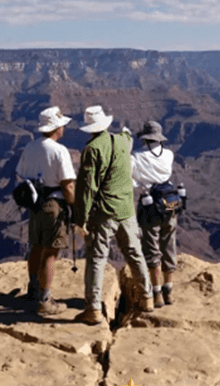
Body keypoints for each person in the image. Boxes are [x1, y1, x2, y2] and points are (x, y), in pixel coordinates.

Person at [70, 105, 153, 325]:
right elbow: (129, 136)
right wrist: (125, 130)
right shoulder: (122, 141)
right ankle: (147, 297)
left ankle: (94, 309)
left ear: (89, 128)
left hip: (104, 214)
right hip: (126, 209)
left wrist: (80, 220)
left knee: (97, 259)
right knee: (135, 253)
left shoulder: (92, 149)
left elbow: (87, 188)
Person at [15, 106, 76, 316]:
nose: (64, 129)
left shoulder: (30, 147)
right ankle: (44, 300)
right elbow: (68, 185)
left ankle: (33, 290)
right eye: (62, 125)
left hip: (35, 204)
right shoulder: (59, 151)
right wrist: (74, 208)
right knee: (51, 252)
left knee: (36, 247)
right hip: (53, 205)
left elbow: (20, 174)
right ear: (56, 127)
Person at [130, 120, 177, 308]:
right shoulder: (169, 154)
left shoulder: (135, 156)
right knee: (169, 245)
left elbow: (132, 180)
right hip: (169, 203)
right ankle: (169, 290)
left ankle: (156, 293)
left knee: (152, 248)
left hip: (149, 206)